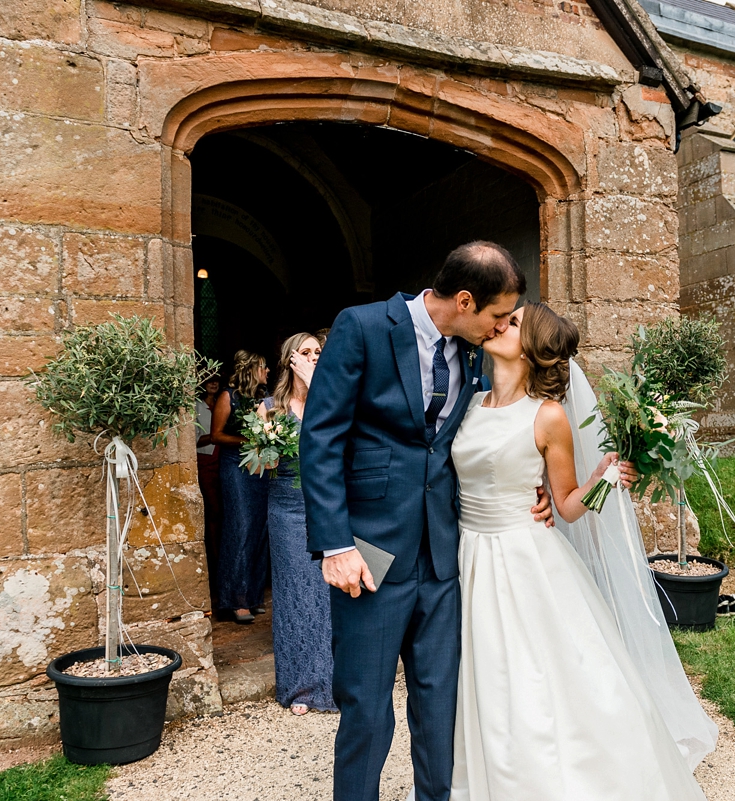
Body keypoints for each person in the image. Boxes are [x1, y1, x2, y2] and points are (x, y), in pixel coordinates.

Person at [301, 242, 554, 801]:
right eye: (496, 316)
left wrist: (529, 482)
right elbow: (320, 437)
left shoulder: (469, 350)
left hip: (444, 555)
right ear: (464, 301)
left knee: (441, 706)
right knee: (366, 707)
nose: (501, 328)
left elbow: (474, 433)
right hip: (368, 553)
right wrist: (334, 544)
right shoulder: (363, 326)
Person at [448, 302, 716, 799]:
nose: (500, 323)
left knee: (532, 677)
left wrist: (601, 480)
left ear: (533, 351)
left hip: (524, 559)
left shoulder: (548, 417)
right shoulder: (469, 401)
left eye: (514, 322)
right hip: (469, 556)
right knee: (482, 678)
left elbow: (568, 504)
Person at [261, 332, 336, 715]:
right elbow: (262, 467)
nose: (314, 357)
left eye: (319, 352)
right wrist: (268, 441)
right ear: (290, 359)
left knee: (328, 595)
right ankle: (301, 686)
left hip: (326, 507)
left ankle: (334, 680)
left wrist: (316, 387)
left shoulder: (331, 400)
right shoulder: (270, 408)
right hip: (287, 510)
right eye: (306, 352)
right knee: (295, 596)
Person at [210, 350, 270, 625]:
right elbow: (216, 435)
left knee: (259, 529)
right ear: (252, 369)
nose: (267, 371)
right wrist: (249, 440)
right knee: (241, 527)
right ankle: (234, 600)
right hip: (235, 468)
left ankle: (253, 595)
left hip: (258, 468)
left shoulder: (261, 398)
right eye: (263, 367)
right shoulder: (228, 396)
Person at [195, 376, 223, 607]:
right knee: (212, 512)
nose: (213, 384)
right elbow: (192, 440)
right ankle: (213, 558)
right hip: (206, 462)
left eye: (216, 380)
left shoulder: (224, 402)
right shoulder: (195, 407)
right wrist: (217, 435)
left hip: (223, 461)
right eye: (208, 380)